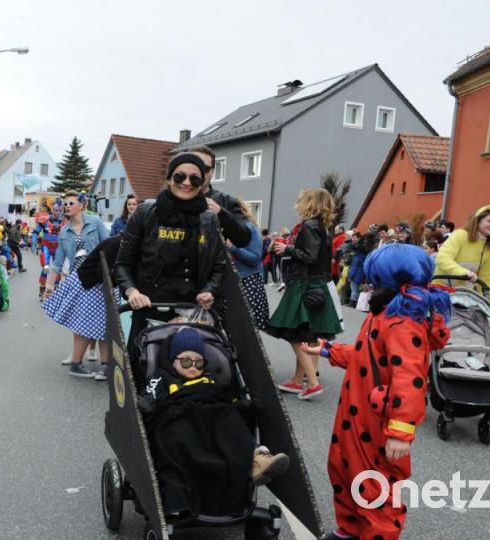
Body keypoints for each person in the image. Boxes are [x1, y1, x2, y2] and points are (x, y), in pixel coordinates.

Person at [301, 243, 451, 540]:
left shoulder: (402, 322)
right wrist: (330, 350)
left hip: (378, 423)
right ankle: (351, 528)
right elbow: (365, 355)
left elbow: (410, 379)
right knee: (344, 471)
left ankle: (376, 534)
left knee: (374, 486)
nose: (369, 281)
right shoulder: (384, 311)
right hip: (355, 418)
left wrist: (401, 430)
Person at [140, 327, 290, 515]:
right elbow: (148, 399)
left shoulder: (210, 380)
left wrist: (245, 407)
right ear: (174, 360)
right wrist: (146, 404)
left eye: (199, 363)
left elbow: (226, 397)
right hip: (181, 421)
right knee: (175, 433)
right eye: (186, 361)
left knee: (230, 417)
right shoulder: (163, 378)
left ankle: (256, 459)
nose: (193, 367)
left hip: (213, 421)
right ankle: (177, 498)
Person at [115, 153, 228, 384]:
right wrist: (132, 293)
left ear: (202, 184)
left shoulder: (208, 220)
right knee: (140, 376)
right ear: (169, 179)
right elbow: (123, 263)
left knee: (187, 379)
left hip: (189, 313)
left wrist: (210, 290)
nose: (186, 183)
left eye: (195, 179)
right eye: (180, 176)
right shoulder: (146, 213)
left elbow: (218, 265)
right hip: (148, 307)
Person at [268, 188, 342, 401]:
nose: (298, 201)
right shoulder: (321, 226)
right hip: (316, 283)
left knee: (294, 334)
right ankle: (297, 381)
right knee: (306, 334)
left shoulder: (309, 225)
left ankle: (313, 382)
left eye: (302, 199)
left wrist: (287, 249)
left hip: (304, 284)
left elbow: (309, 257)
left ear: (310, 202)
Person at [44, 191, 109, 377]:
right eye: (65, 204)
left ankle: (105, 364)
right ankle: (76, 364)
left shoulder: (95, 223)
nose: (67, 206)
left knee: (105, 322)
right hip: (79, 281)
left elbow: (108, 245)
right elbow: (57, 262)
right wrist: (49, 286)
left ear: (82, 205)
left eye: (71, 203)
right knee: (81, 323)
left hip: (99, 279)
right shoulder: (64, 232)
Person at [434, 204, 490, 310]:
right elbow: (442, 259)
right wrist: (464, 273)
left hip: (463, 300)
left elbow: (487, 281)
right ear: (478, 220)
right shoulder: (460, 235)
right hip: (440, 294)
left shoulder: (489, 249)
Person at [188, 146, 253, 247]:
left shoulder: (227, 201)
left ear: (212, 172)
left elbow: (244, 239)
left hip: (208, 262)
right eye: (194, 166)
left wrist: (221, 213)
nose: (198, 173)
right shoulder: (169, 200)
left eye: (204, 168)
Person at [228, 202, 269, 331]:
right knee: (233, 325)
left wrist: (233, 249)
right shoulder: (228, 228)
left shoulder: (251, 228)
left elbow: (255, 258)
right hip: (232, 280)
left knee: (247, 328)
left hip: (248, 281)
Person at [34, 200, 66, 298]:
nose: (57, 212)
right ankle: (42, 287)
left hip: (58, 246)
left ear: (61, 210)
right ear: (52, 210)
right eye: (55, 210)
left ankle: (56, 287)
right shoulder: (45, 221)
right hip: (46, 245)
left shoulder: (65, 222)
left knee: (58, 268)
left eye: (59, 210)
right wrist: (35, 242)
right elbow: (36, 232)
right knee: (46, 267)